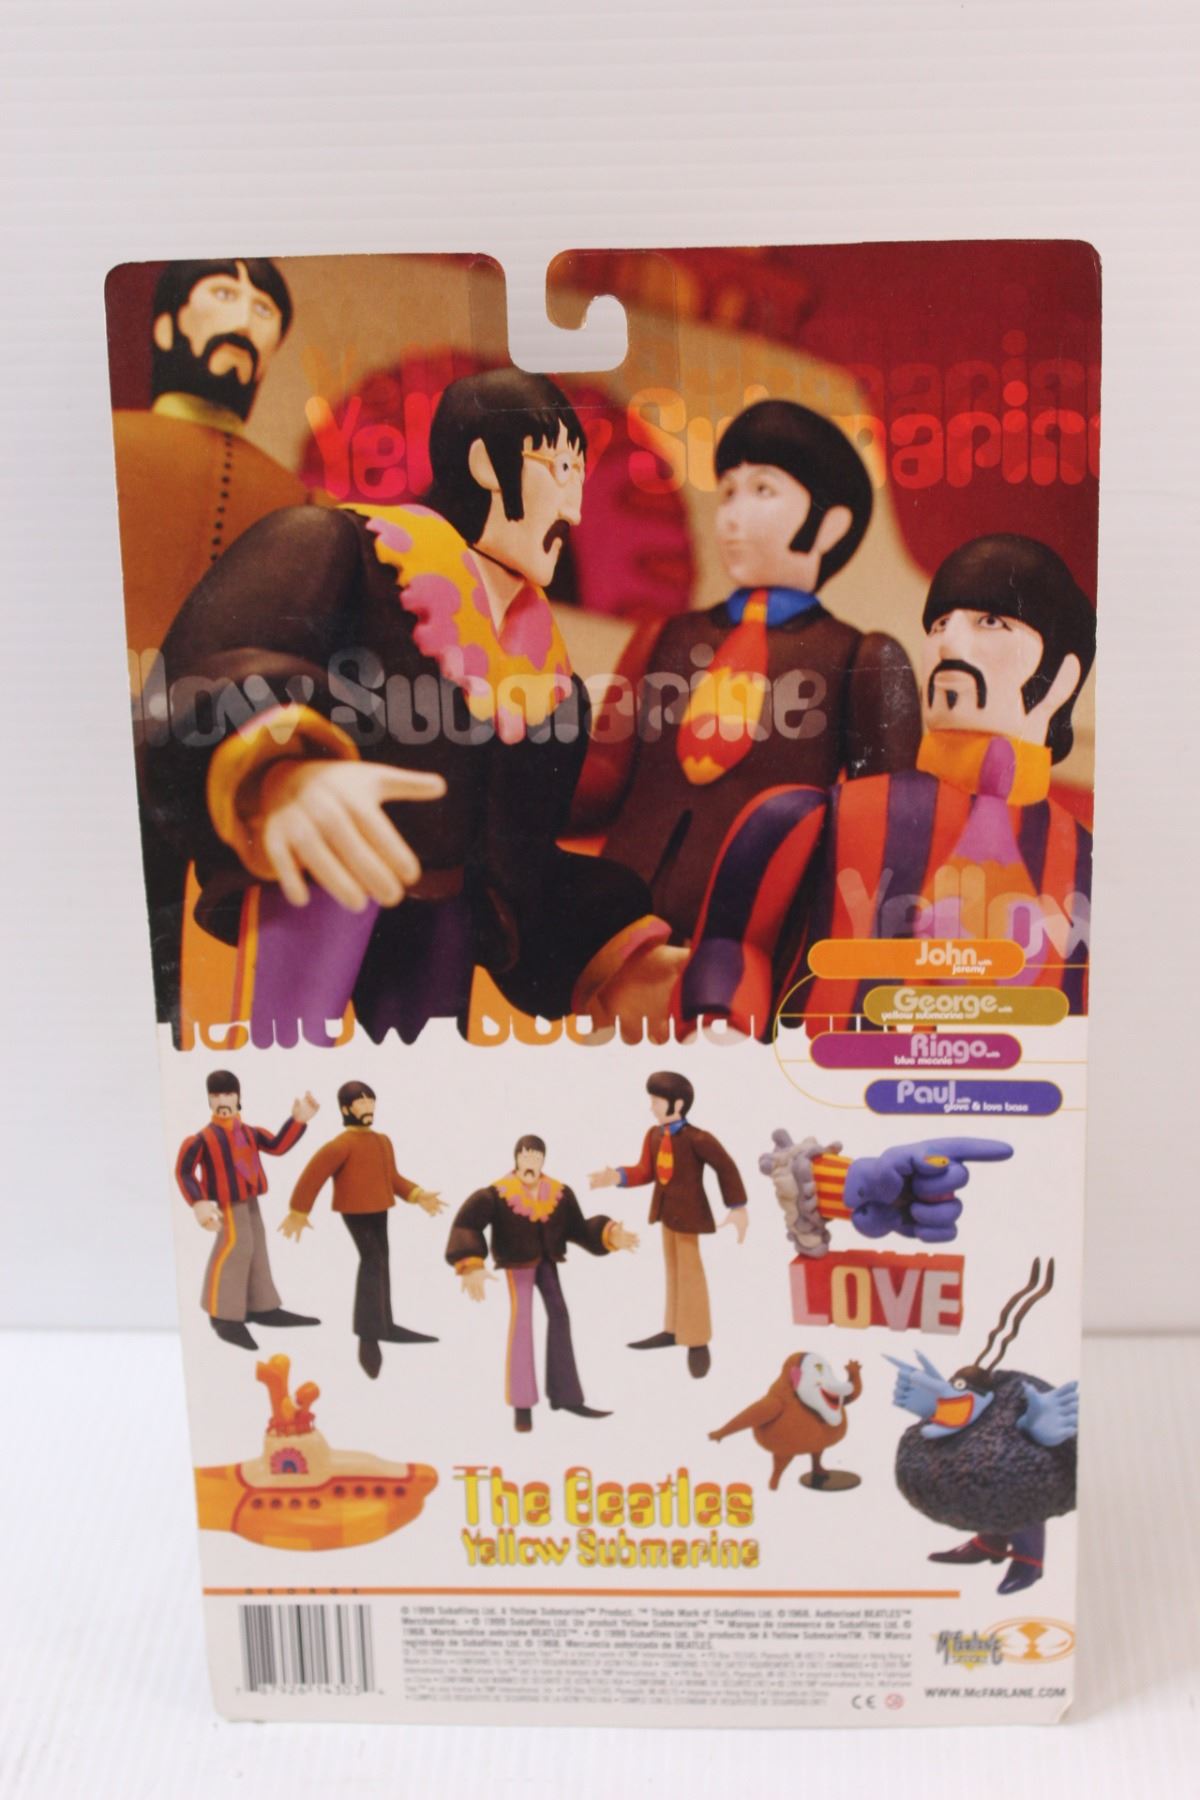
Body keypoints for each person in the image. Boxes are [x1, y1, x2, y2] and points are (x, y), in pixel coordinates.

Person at [147, 369, 683, 1045]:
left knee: (426, 1087)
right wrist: (284, 768)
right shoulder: (335, 546)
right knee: (281, 1074)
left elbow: (517, 867)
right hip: (312, 885)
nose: (574, 512)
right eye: (561, 470)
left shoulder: (551, 685)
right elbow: (201, 675)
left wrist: (611, 950)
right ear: (486, 463)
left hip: (438, 923)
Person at [678, 534, 1096, 1036]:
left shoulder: (1087, 865)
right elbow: (735, 945)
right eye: (939, 624)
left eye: (991, 622)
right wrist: (722, 1028)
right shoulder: (821, 819)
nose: (948, 643)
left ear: (1063, 678)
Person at [594, 399, 921, 937]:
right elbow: (603, 775)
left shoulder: (861, 659)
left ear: (830, 525)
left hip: (755, 932)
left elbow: (884, 825)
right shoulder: (666, 637)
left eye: (763, 489)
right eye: (728, 491)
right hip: (614, 914)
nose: (732, 514)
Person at [111, 258, 329, 1027]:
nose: (244, 317)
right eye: (224, 294)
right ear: (167, 323)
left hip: (209, 764)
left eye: (264, 309)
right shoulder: (103, 446)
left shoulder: (300, 504)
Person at [446, 1135, 638, 1432]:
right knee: (522, 1320)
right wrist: (471, 1263)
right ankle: (522, 1404)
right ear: (516, 1158)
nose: (530, 1162)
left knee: (560, 1315)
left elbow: (578, 1228)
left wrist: (609, 1234)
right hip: (517, 1265)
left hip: (547, 1262)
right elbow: (466, 1223)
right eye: (525, 1156)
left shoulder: (559, 1193)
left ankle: (567, 1396)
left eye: (536, 1157)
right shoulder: (496, 1193)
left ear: (543, 1161)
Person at [279, 1081, 445, 1379]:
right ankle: (368, 1336)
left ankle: (384, 1324)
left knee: (382, 1262)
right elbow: (313, 1176)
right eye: (361, 1102)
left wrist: (418, 1194)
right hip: (355, 1211)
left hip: (380, 1208)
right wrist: (298, 1211)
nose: (368, 1107)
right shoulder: (341, 1145)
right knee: (372, 1261)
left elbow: (392, 1178)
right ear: (346, 1108)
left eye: (371, 1102)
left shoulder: (382, 1141)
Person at [589, 1072, 747, 1379]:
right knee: (673, 1271)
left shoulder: (698, 1138)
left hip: (689, 1215)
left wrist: (737, 1207)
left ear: (678, 1104)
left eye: (656, 1101)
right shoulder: (654, 1135)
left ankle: (697, 1339)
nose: (651, 1107)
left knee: (690, 1275)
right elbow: (645, 1171)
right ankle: (674, 1328)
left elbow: (725, 1166)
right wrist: (617, 1176)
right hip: (665, 1213)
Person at [174, 1070, 319, 1349]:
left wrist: (298, 1120)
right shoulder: (202, 1139)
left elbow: (277, 1146)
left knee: (257, 1247)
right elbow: (184, 1171)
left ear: (238, 1097)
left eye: (228, 1094)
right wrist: (199, 1203)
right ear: (209, 1100)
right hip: (227, 1204)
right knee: (235, 1247)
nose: (222, 1100)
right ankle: (223, 1314)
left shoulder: (250, 1133)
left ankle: (260, 1305)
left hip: (250, 1199)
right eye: (215, 1095)